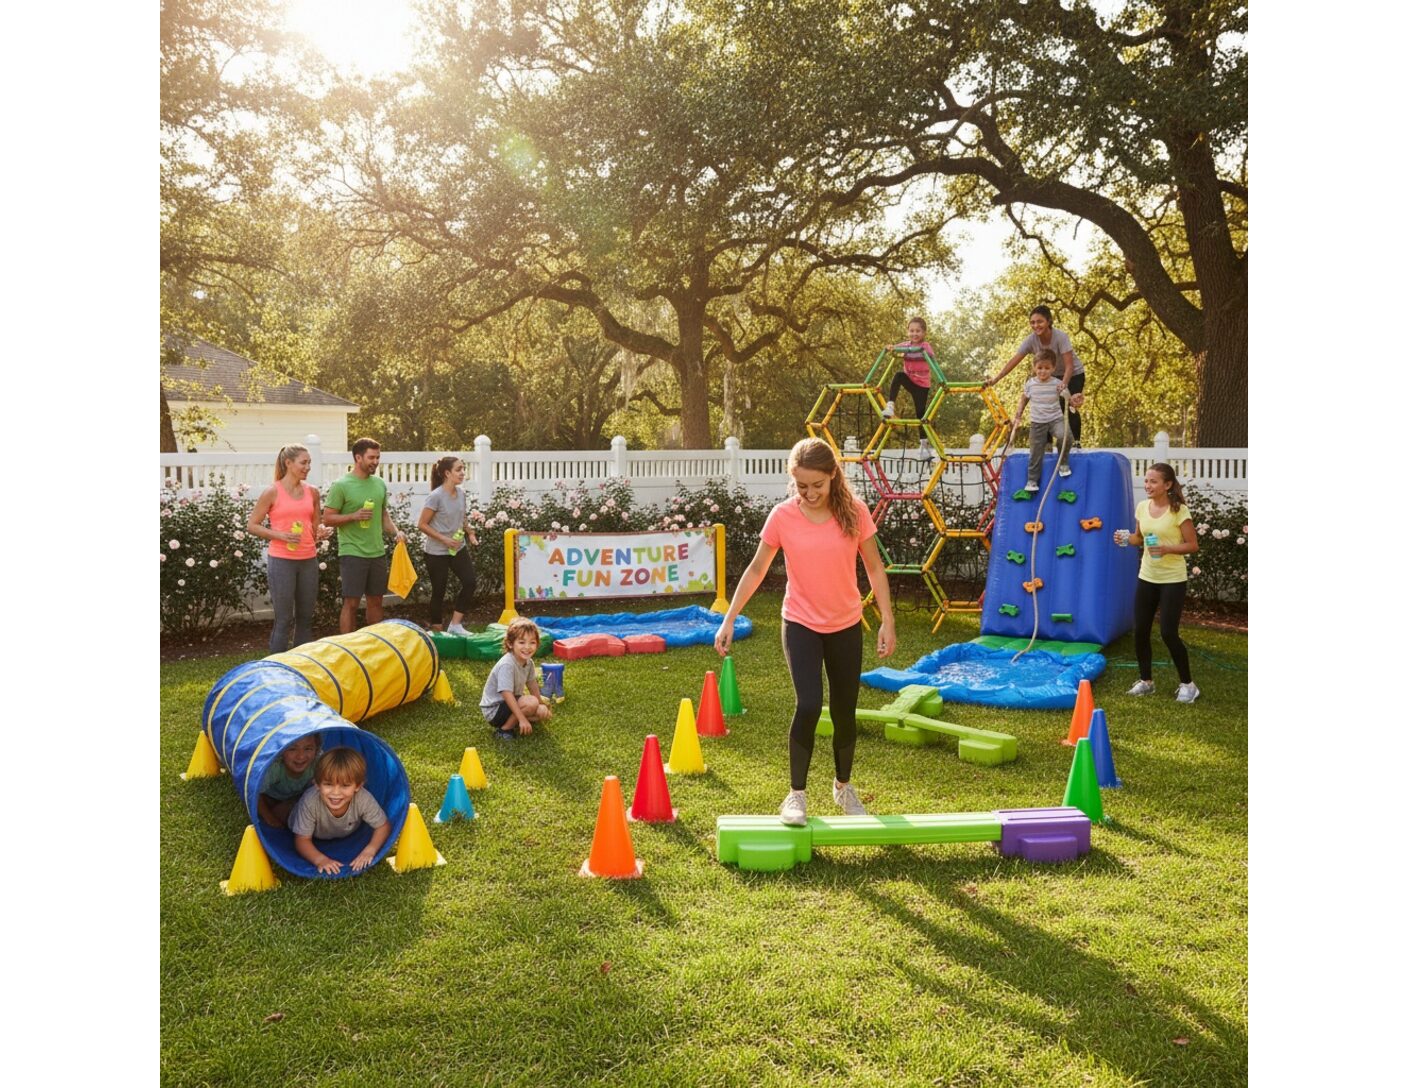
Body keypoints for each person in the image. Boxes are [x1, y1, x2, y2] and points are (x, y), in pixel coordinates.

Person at [714, 437, 896, 826]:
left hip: (845, 624)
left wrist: (887, 620)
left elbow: (875, 569)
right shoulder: (783, 517)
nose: (810, 493)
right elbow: (757, 569)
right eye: (802, 486)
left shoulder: (855, 512)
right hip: (800, 622)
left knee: (846, 711)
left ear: (833, 475)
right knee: (810, 703)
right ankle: (796, 795)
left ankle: (843, 787)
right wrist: (729, 617)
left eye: (817, 484)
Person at [1113, 463, 1201, 704]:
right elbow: (1139, 538)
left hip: (1172, 579)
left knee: (1168, 633)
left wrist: (1167, 548)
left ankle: (1188, 685)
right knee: (1140, 631)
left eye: (1153, 481)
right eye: (1146, 481)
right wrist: (1124, 539)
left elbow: (1192, 545)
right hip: (1147, 577)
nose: (1147, 485)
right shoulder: (1142, 508)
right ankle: (1146, 682)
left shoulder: (1178, 511)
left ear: (1167, 485)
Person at [246, 443, 329, 652]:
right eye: (304, 462)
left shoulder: (313, 492)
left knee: (305, 618)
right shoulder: (272, 492)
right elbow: (252, 526)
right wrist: (280, 535)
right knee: (284, 619)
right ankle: (277, 668)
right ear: (288, 463)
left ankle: (300, 666)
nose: (308, 467)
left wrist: (320, 532)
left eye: (309, 462)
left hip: (308, 560)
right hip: (282, 561)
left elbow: (314, 526)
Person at [322, 437, 406, 634]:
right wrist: (354, 516)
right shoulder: (341, 485)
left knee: (376, 600)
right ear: (358, 457)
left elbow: (383, 516)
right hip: (352, 552)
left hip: (376, 552)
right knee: (351, 602)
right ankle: (347, 647)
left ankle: (374, 643)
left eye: (378, 457)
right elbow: (327, 518)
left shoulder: (379, 484)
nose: (375, 462)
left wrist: (396, 532)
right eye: (371, 457)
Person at [986, 305, 1088, 446]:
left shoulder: (1060, 337)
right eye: (1032, 322)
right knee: (1045, 403)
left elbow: (1069, 365)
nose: (1036, 325)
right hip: (1050, 374)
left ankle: (1076, 442)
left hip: (1074, 373)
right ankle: (1047, 444)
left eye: (1040, 321)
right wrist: (996, 379)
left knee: (1069, 404)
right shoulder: (1031, 340)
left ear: (1049, 321)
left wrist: (1063, 385)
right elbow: (1014, 361)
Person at [290, 747, 392, 875]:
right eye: (328, 784)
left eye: (345, 785)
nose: (336, 793)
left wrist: (370, 850)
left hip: (338, 831)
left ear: (358, 786)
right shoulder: (310, 802)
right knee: (284, 813)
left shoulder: (362, 798)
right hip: (295, 815)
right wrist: (321, 860)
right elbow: (301, 840)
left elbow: (383, 826)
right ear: (316, 784)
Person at [418, 456, 480, 635]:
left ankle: (455, 625)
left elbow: (462, 516)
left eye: (463, 469)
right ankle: (437, 632)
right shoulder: (435, 496)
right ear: (447, 473)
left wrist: (470, 533)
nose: (462, 473)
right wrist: (444, 539)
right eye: (458, 469)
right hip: (436, 552)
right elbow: (422, 524)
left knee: (470, 582)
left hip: (457, 549)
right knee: (439, 591)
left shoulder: (461, 494)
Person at [479, 617, 554, 739]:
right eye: (522, 642)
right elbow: (506, 693)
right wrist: (522, 718)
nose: (527, 647)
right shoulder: (507, 664)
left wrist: (541, 704)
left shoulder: (528, 662)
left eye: (532, 642)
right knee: (531, 703)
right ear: (510, 643)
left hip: (510, 704)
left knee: (541, 712)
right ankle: (504, 730)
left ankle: (517, 721)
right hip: (495, 710)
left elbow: (532, 684)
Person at [1010, 349, 1073, 492]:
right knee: (1035, 451)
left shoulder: (1057, 383)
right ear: (1034, 368)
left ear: (1053, 368)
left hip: (1055, 419)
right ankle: (1032, 480)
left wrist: (1068, 394)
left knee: (1066, 436)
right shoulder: (1030, 384)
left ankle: (1063, 463)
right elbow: (1024, 399)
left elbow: (1068, 398)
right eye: (1039, 368)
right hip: (1037, 422)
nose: (1043, 371)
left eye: (1046, 368)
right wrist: (1018, 414)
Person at [881, 316, 937, 461]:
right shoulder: (905, 345)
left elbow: (931, 356)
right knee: (898, 375)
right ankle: (890, 405)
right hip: (910, 380)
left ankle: (924, 447)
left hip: (922, 385)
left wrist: (926, 355)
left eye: (918, 331)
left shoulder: (925, 346)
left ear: (924, 332)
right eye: (911, 331)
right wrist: (890, 347)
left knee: (920, 414)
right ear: (908, 332)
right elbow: (894, 348)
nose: (914, 334)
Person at [256, 733, 321, 829]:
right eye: (292, 749)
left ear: (316, 750)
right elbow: (254, 793)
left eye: (308, 749)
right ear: (281, 751)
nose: (301, 756)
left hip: (299, 796)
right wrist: (270, 818)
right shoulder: (275, 767)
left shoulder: (318, 762)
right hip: (271, 797)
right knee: (274, 812)